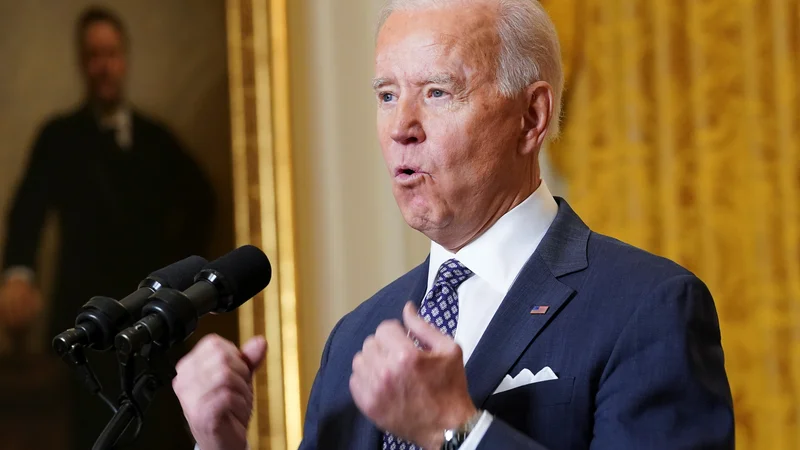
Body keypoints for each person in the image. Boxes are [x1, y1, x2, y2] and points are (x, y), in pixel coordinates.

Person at [172, 0, 735, 449]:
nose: (401, 127)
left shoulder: (646, 307)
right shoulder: (355, 338)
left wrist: (457, 430)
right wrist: (219, 445)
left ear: (531, 118)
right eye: (387, 95)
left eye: (437, 92)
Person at [0, 6, 213, 450]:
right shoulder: (59, 137)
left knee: (157, 435)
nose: (104, 65)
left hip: (153, 325)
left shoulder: (156, 140)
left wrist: (180, 278)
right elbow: (27, 214)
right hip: (87, 334)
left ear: (125, 59)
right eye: (94, 55)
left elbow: (203, 202)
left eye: (111, 53)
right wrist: (19, 275)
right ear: (83, 62)